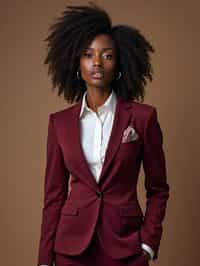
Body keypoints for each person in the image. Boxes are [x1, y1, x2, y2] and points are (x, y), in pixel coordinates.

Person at [37, 2, 170, 266]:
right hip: (70, 249)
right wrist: (43, 259)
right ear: (77, 63)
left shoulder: (142, 118)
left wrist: (148, 244)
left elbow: (158, 189)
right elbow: (54, 196)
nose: (97, 62)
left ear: (119, 63)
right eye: (88, 54)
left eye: (107, 55)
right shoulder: (59, 124)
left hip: (125, 246)